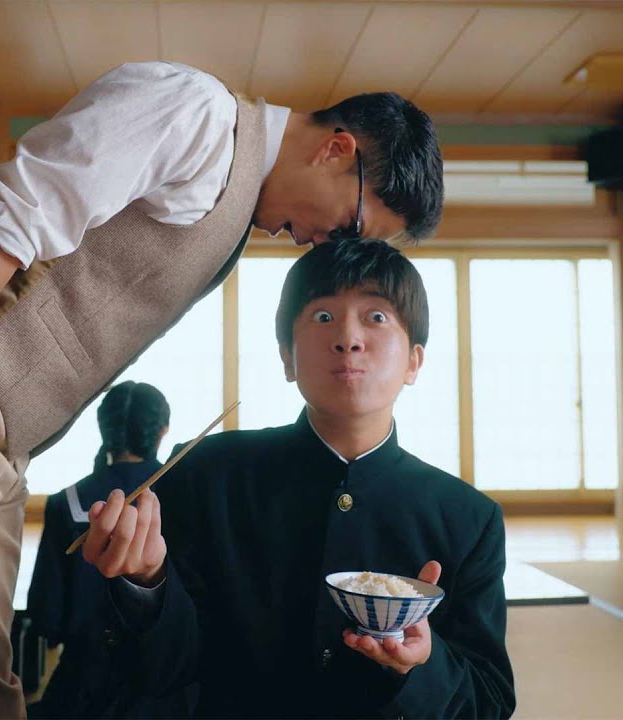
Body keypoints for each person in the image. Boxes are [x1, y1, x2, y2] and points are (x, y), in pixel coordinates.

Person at [0, 61, 445, 717]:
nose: (325, 246)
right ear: (336, 150)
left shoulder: (233, 195)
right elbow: (5, 214)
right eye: (349, 226)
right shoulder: (198, 113)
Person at [82, 239, 515, 719]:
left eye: (376, 317)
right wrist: (147, 580)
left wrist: (421, 666)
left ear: (414, 361)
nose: (348, 338)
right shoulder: (207, 472)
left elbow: (489, 703)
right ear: (287, 357)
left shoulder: (468, 518)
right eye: (323, 316)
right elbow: (165, 671)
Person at [25, 381, 191, 718]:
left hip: (80, 690)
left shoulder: (66, 503)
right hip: (166, 694)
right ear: (163, 431)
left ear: (104, 429)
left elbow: (46, 617)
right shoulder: (185, 498)